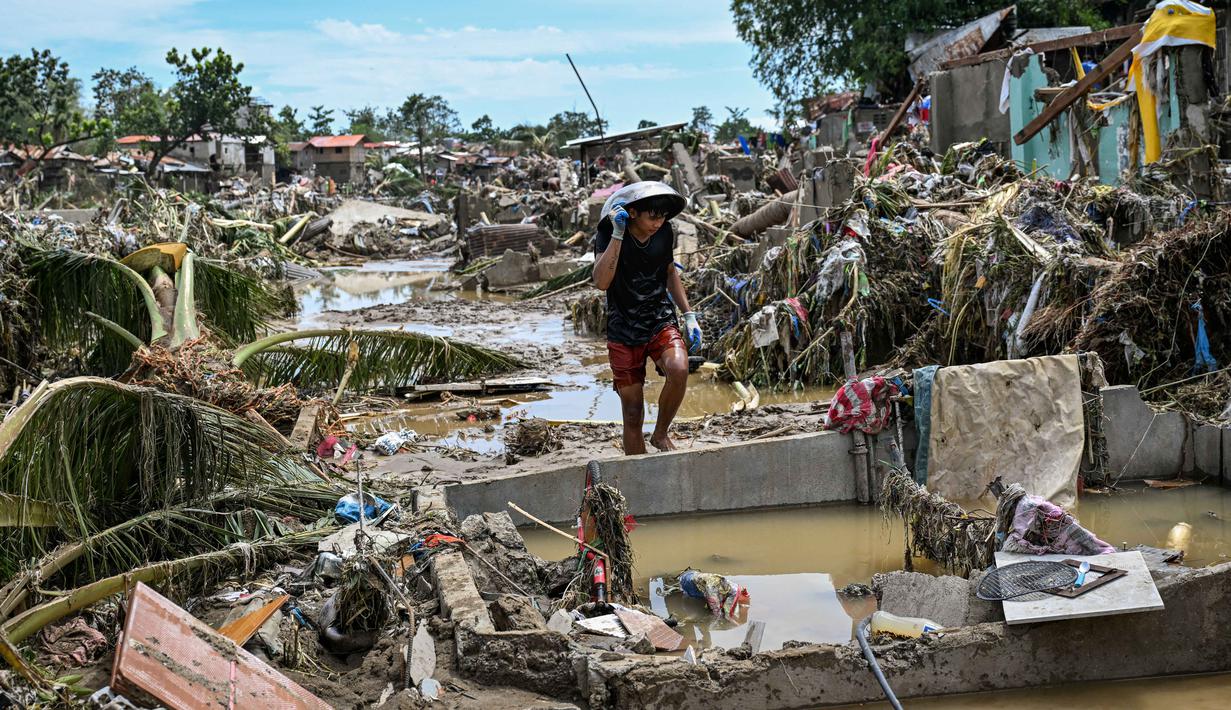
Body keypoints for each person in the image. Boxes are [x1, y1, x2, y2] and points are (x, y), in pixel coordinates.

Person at [592, 182, 701, 454]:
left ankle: (661, 434)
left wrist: (689, 315)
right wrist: (618, 235)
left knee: (679, 368)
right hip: (623, 326)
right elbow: (602, 282)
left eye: (662, 216)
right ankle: (639, 473)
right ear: (632, 213)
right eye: (652, 216)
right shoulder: (608, 232)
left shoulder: (664, 232)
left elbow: (669, 272)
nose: (658, 222)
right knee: (632, 412)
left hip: (658, 317)